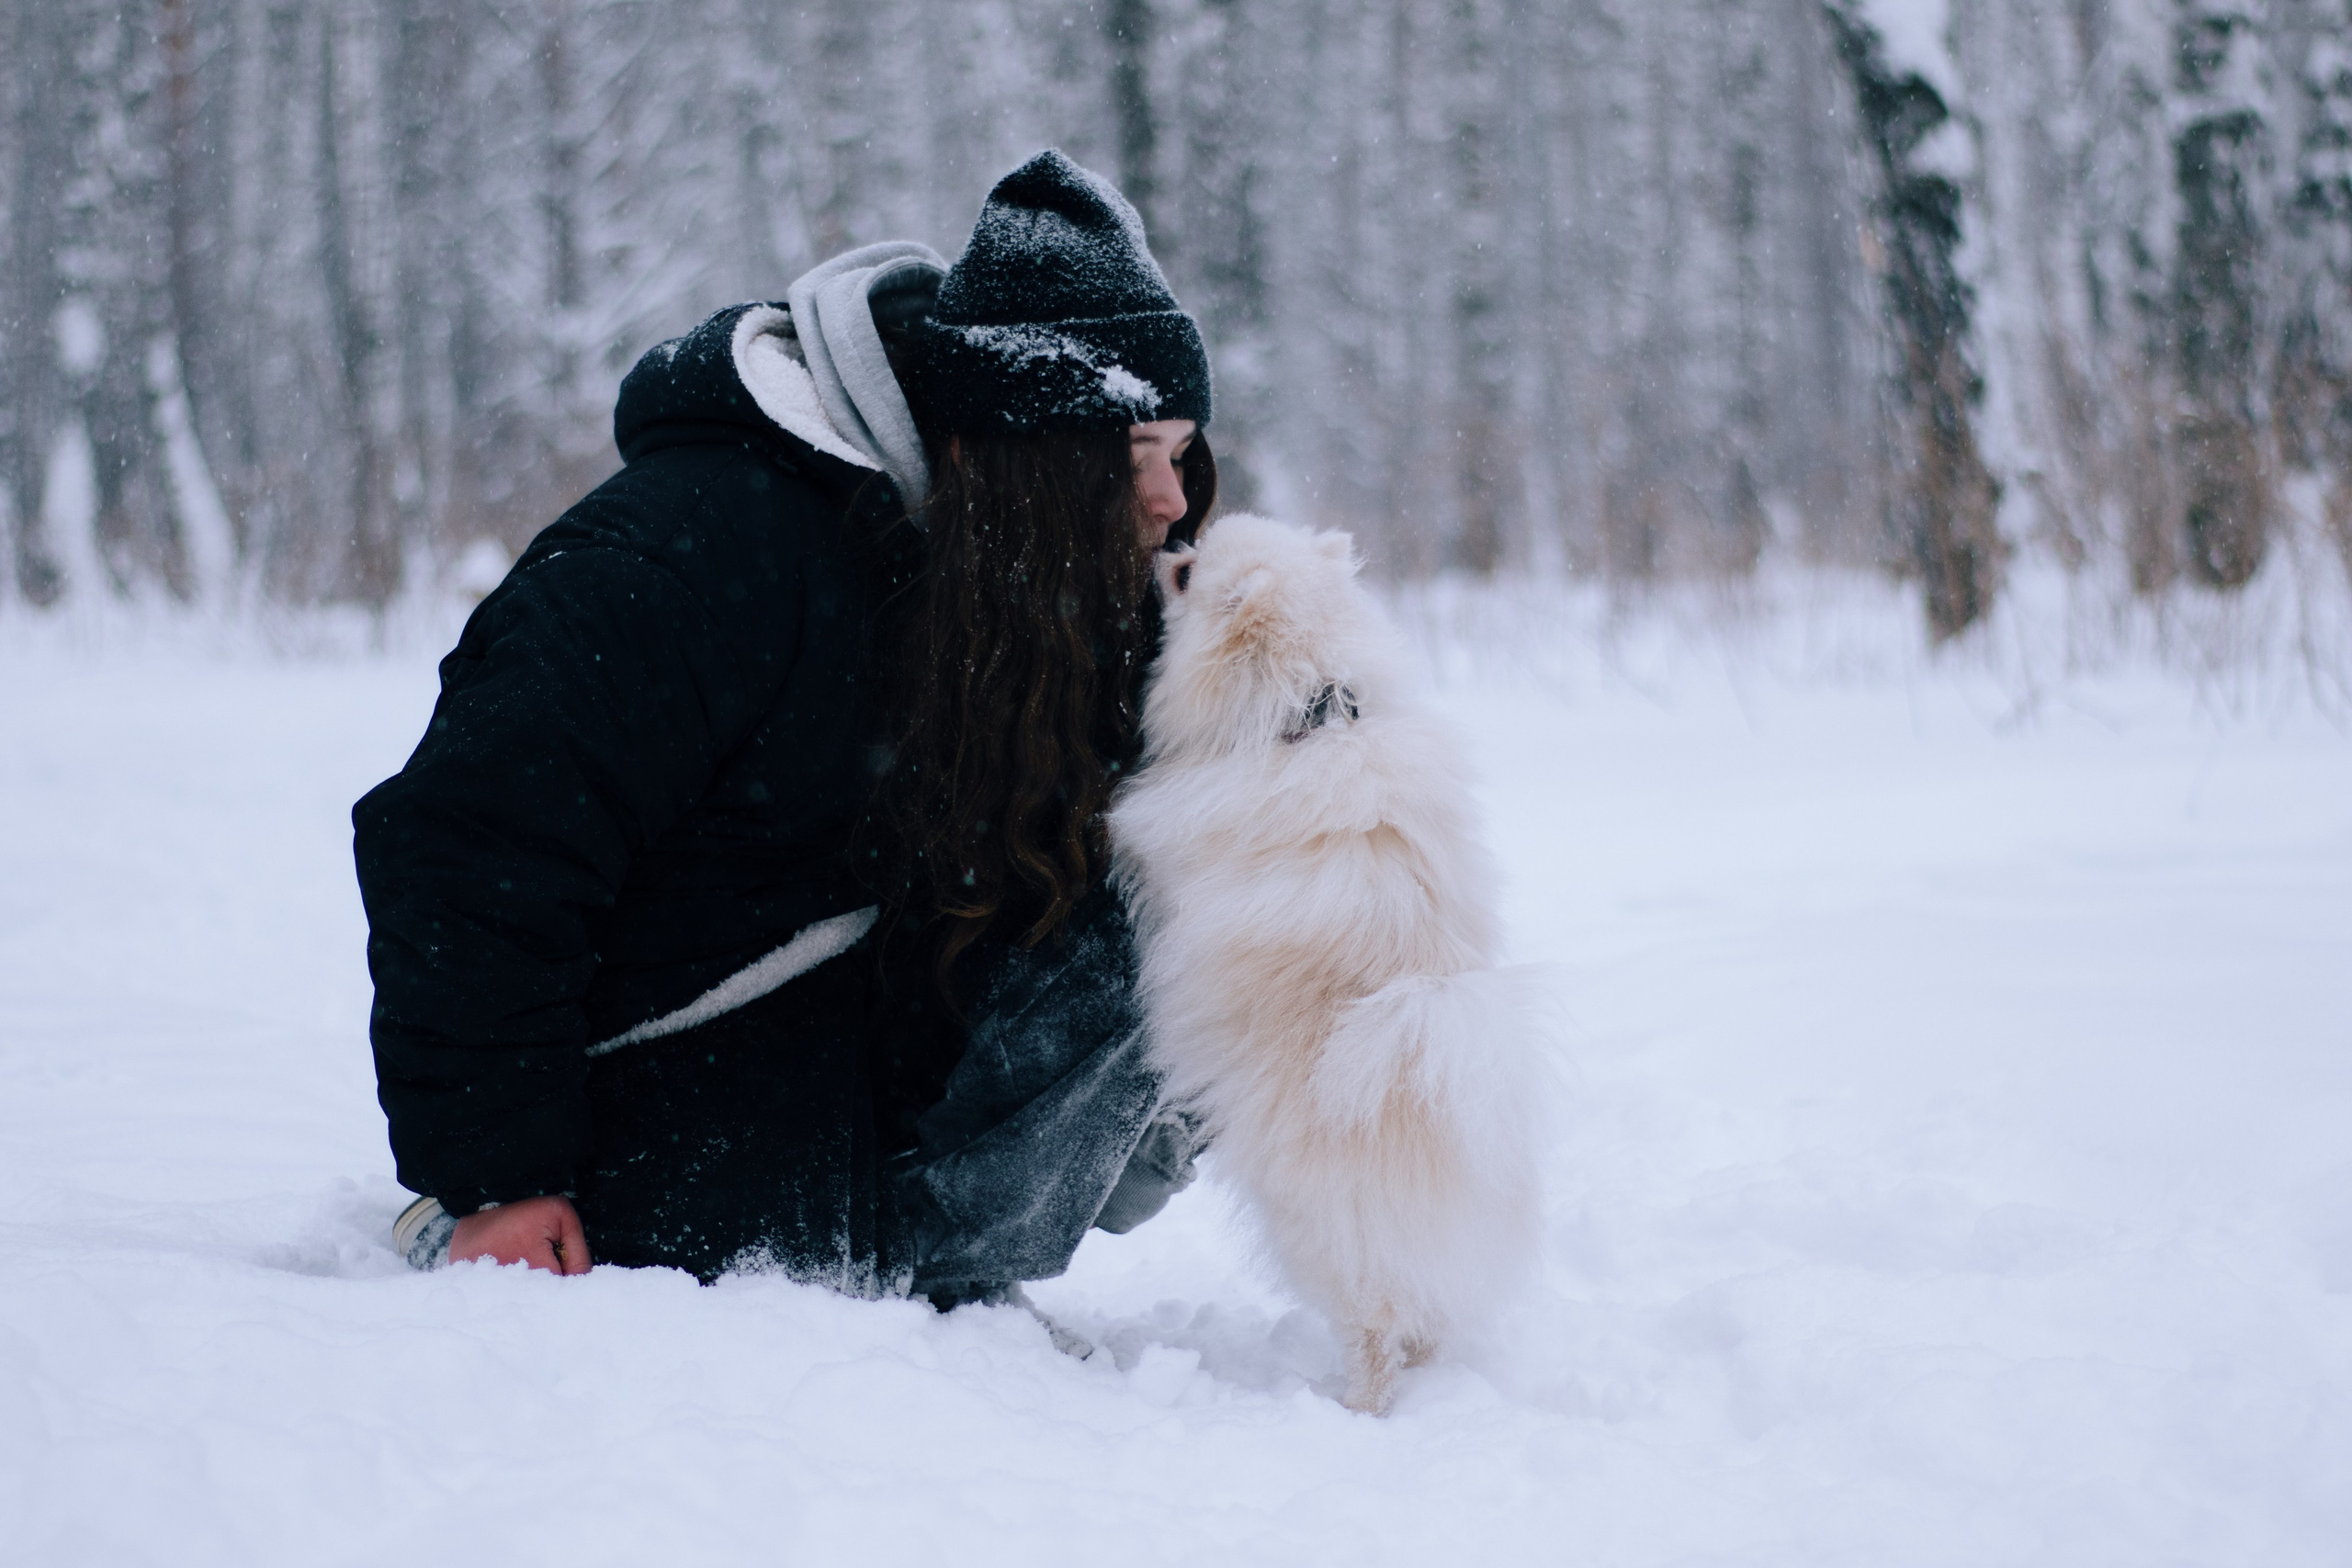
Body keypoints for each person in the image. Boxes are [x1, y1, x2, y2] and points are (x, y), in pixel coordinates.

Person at [359, 150, 1216, 1303]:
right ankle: (859, 1270)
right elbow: (474, 846)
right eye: (1131, 461)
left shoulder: (1008, 579)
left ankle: (931, 1268)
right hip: (666, 1131)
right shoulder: (693, 555)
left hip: (841, 1094)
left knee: (1233, 892)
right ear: (1006, 456)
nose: (1170, 501)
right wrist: (500, 1173)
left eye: (1177, 457)